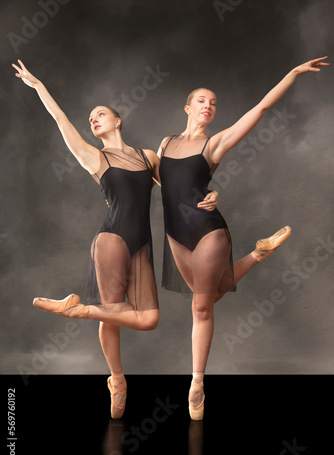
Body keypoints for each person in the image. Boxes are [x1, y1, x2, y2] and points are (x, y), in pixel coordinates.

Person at [12, 60, 218, 419]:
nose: (93, 119)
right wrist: (39, 86)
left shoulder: (146, 156)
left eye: (101, 114)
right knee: (112, 315)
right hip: (111, 239)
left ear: (118, 120)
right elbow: (62, 122)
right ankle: (118, 380)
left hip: (142, 244)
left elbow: (181, 187)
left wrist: (213, 195)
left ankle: (76, 309)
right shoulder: (94, 157)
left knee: (146, 317)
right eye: (91, 118)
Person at [154, 56, 329, 420]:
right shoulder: (166, 143)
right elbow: (161, 183)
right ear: (187, 107)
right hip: (174, 234)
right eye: (202, 100)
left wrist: (292, 74)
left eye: (214, 102)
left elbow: (261, 108)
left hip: (207, 231)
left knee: (201, 307)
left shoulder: (215, 144)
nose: (209, 105)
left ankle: (197, 383)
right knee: (211, 295)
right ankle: (258, 254)